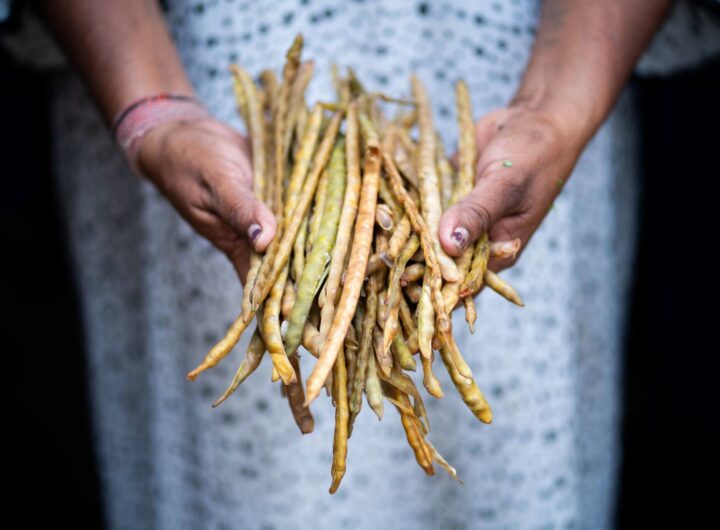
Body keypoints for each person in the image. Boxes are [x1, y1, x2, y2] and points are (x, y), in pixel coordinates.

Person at [22, 0, 718, 528]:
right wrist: (157, 114)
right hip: (176, 76)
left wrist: (557, 108)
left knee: (509, 465)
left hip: (543, 73)